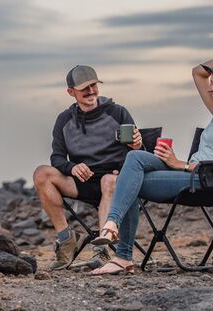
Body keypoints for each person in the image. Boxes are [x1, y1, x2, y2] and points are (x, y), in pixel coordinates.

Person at [89, 54, 213, 275]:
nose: (210, 88)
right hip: (191, 173)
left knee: (130, 183)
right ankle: (111, 226)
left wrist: (178, 164)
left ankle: (122, 256)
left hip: (208, 183)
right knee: (135, 158)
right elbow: (198, 72)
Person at [33, 65, 142, 270]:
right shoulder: (64, 120)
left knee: (108, 180)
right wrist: (72, 167)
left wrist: (137, 144)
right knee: (42, 174)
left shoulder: (117, 112)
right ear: (71, 92)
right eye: (85, 88)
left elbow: (139, 152)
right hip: (81, 181)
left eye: (94, 85)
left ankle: (104, 249)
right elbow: (56, 158)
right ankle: (66, 239)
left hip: (115, 182)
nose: (91, 91)